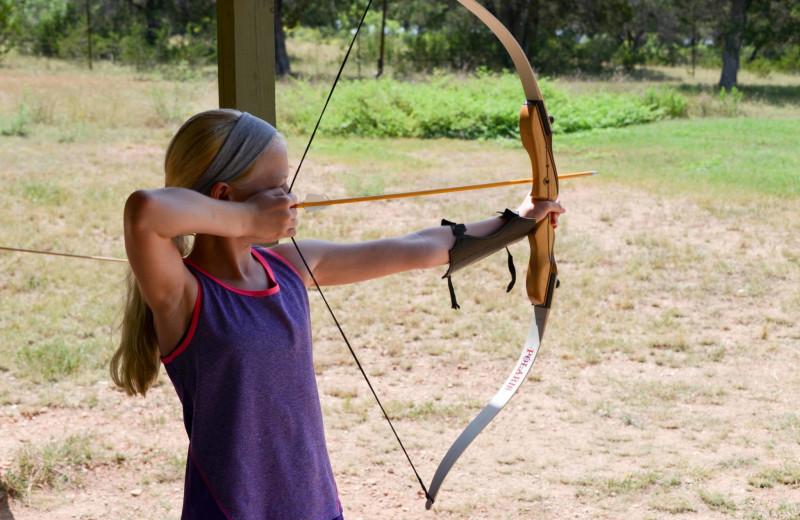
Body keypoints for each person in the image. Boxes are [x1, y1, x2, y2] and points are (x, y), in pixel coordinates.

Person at [110, 109, 564, 520]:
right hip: (231, 508)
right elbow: (146, 211)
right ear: (224, 195)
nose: (290, 200)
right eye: (275, 188)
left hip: (313, 503)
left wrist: (520, 220)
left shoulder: (290, 267)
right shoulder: (183, 293)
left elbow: (419, 247)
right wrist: (249, 219)